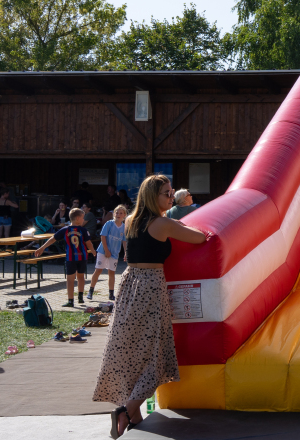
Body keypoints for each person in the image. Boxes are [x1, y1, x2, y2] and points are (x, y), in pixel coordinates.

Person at [94, 174, 205, 438]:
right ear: (152, 197)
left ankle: (135, 418)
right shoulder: (163, 224)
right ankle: (126, 409)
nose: (171, 197)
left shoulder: (131, 221)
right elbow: (200, 238)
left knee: (133, 353)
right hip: (151, 288)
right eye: (167, 193)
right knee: (157, 354)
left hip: (129, 286)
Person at [34, 208, 95, 308]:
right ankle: (80, 297)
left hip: (70, 258)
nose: (84, 220)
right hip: (82, 257)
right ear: (78, 218)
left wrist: (42, 247)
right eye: (83, 218)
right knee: (81, 277)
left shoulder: (65, 230)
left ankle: (70, 301)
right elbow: (89, 243)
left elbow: (52, 239)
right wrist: (93, 251)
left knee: (70, 280)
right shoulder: (83, 230)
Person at [89, 205, 127, 301]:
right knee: (98, 270)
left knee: (112, 273)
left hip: (114, 253)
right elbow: (103, 236)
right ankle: (90, 291)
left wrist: (126, 252)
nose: (118, 214)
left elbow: (124, 241)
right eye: (117, 212)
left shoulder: (124, 227)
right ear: (114, 214)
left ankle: (111, 294)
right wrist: (106, 250)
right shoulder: (109, 224)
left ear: (124, 215)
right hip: (103, 251)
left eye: (121, 213)